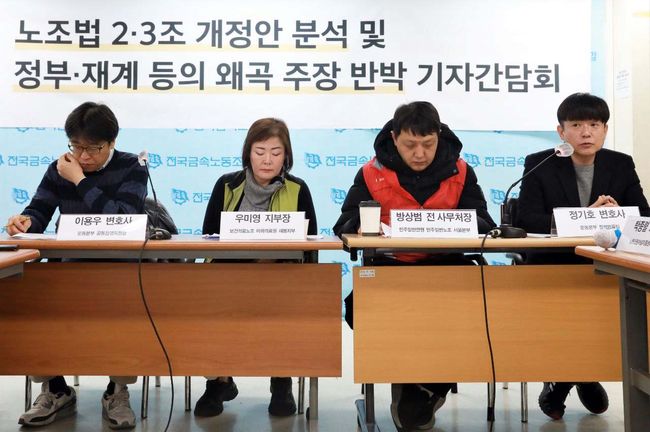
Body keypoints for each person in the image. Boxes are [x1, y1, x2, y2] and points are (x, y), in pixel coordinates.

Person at [333, 101, 495, 431]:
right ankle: (409, 377)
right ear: (394, 138)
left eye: (428, 144)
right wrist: (360, 226)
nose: (419, 154)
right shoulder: (371, 172)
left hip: (448, 268)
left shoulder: (460, 170)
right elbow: (344, 223)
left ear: (439, 137)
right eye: (410, 145)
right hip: (392, 269)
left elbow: (483, 222)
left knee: (480, 308)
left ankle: (429, 384)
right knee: (359, 310)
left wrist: (445, 224)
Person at [6, 102, 148, 429]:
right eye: (76, 146)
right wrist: (25, 222)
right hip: (68, 268)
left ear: (112, 142)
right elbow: (39, 211)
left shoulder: (132, 166)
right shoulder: (60, 168)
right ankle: (55, 388)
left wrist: (80, 180)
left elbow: (122, 218)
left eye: (92, 148)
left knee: (128, 311)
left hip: (119, 270)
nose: (83, 156)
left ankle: (117, 391)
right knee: (35, 304)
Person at [516, 92, 650, 420]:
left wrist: (618, 215)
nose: (586, 133)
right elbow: (526, 220)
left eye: (594, 124)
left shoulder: (620, 164)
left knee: (610, 305)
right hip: (553, 264)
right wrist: (585, 217)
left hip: (605, 264)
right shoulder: (540, 163)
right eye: (576, 125)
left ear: (605, 129)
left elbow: (643, 218)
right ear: (561, 131)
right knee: (567, 311)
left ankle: (566, 381)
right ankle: (581, 375)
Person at [196, 117, 317, 418]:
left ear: (286, 156)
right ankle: (219, 380)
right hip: (230, 278)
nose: (267, 160)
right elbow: (209, 237)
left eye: (276, 152)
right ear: (248, 152)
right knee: (212, 303)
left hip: (281, 280)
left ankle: (281, 380)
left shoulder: (298, 189)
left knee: (283, 303)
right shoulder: (227, 185)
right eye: (260, 151)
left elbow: (311, 244)